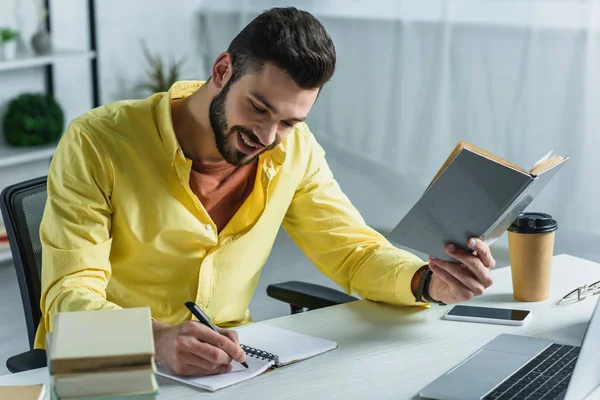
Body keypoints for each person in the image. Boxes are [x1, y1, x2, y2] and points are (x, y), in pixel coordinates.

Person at [37, 7, 495, 377]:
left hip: (231, 370)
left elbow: (352, 253)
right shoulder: (98, 141)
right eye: (258, 108)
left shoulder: (293, 152)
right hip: (113, 366)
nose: (267, 136)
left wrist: (428, 282)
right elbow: (67, 302)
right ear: (222, 70)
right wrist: (154, 339)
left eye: (290, 122)